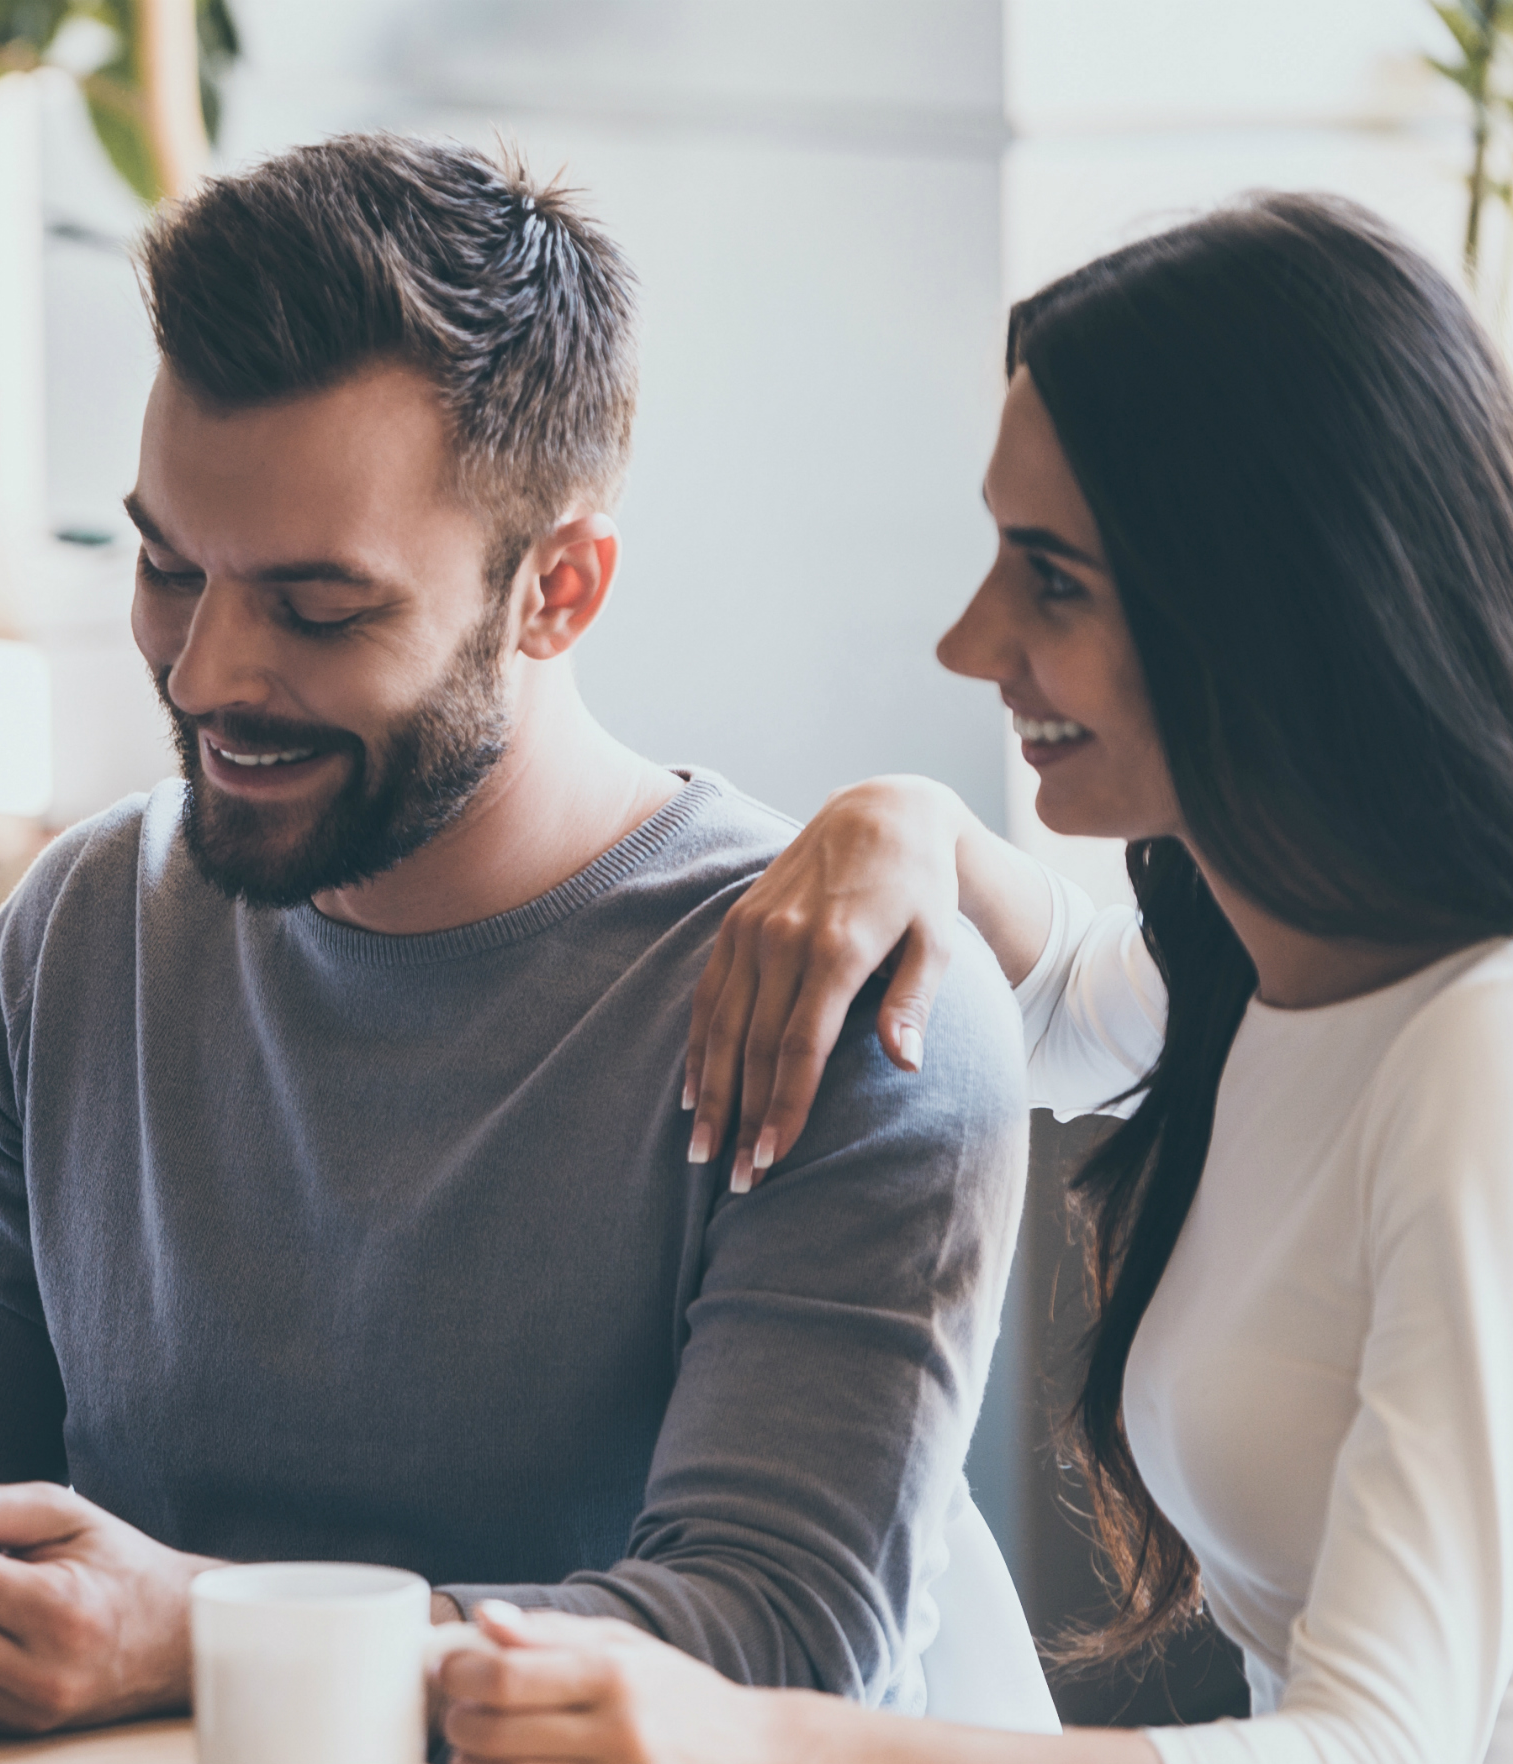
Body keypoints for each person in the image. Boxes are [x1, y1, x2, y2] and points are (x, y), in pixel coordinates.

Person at [0, 133, 1037, 1734]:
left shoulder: (848, 1003)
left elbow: (777, 1643)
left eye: (318, 607)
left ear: (557, 591)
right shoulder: (84, 933)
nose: (207, 672)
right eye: (165, 567)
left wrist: (203, 1632)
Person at [439, 192, 1513, 1764]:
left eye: (1051, 578)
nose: (969, 640)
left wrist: (753, 1738)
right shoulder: (1281, 961)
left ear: (1283, 600)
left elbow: (1378, 1752)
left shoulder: (1477, 1056)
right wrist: (902, 823)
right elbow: (1076, 1002)